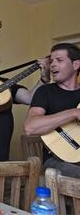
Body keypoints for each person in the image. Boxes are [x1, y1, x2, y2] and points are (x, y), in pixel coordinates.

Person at [25, 43, 80, 178]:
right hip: (56, 160)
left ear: (76, 65)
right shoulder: (45, 92)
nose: (52, 65)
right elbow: (30, 127)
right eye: (51, 61)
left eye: (59, 60)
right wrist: (73, 113)